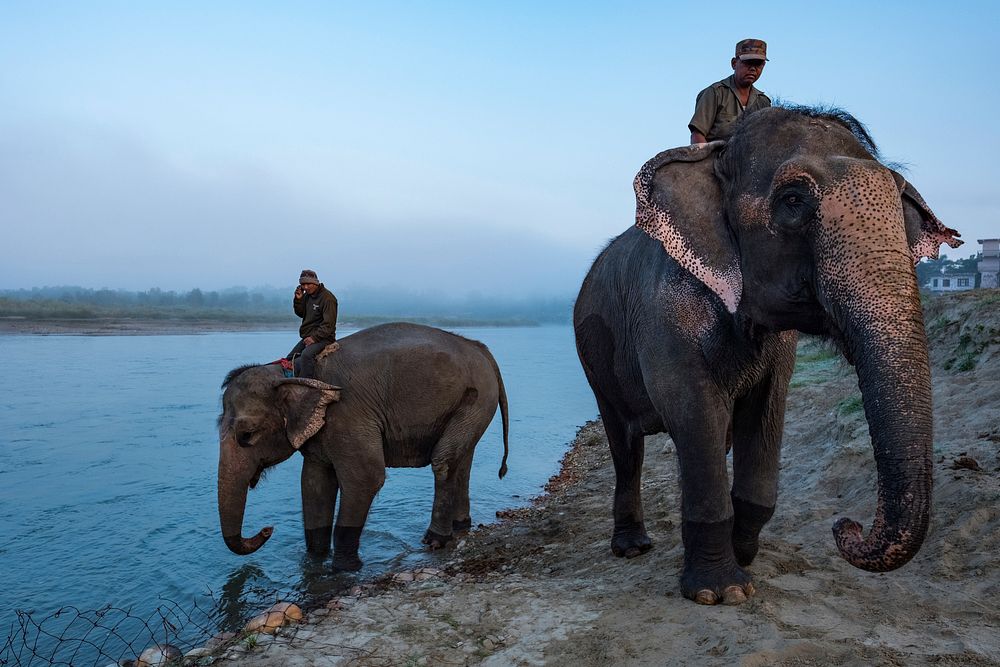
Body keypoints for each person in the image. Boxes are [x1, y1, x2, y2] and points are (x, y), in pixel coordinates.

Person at [689, 39, 771, 144]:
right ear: (734, 63)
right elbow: (697, 135)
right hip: (716, 157)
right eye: (747, 63)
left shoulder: (763, 102)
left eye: (758, 64)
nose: (753, 69)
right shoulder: (715, 93)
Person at [286, 269, 338, 378]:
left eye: (308, 284)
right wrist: (298, 300)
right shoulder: (307, 296)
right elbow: (300, 313)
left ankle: (306, 383)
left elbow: (329, 325)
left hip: (324, 338)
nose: (305, 287)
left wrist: (314, 338)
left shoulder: (328, 298)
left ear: (315, 283)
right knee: (290, 358)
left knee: (306, 355)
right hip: (308, 336)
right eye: (303, 284)